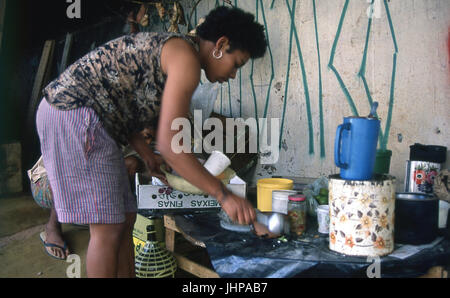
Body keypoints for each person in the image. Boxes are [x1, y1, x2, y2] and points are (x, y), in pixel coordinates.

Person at [35, 6, 267, 278]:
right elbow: (171, 145)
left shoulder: (177, 50)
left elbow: (124, 100)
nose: (233, 75)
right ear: (221, 44)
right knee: (107, 229)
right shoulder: (186, 59)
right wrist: (223, 194)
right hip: (74, 115)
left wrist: (147, 155)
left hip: (83, 117)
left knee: (124, 219)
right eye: (236, 64)